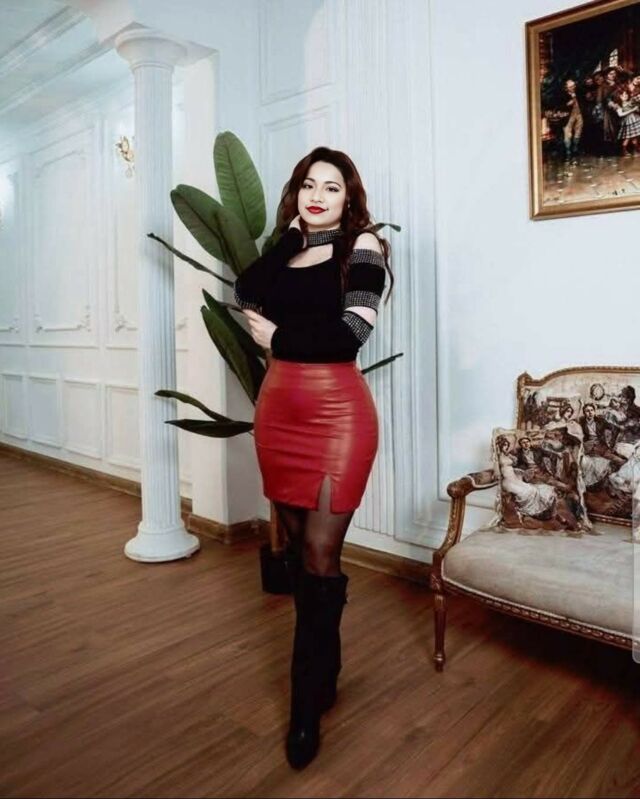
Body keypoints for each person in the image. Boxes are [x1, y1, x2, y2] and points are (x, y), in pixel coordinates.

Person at [232, 146, 394, 770]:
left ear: (349, 197)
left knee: (321, 554)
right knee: (304, 557)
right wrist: (289, 240)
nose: (317, 195)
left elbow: (349, 335)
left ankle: (304, 710)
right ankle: (325, 667)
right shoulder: (288, 248)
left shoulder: (364, 247)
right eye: (307, 184)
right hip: (278, 414)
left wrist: (277, 336)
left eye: (331, 186)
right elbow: (247, 289)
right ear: (296, 194)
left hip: (336, 418)